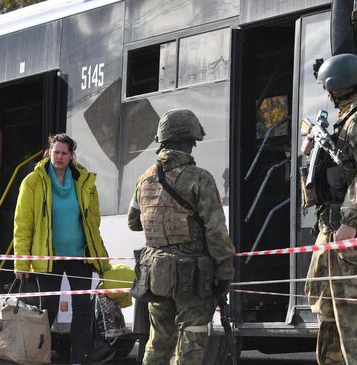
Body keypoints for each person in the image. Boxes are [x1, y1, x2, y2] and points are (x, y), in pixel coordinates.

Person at [127, 109, 235, 364]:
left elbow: (133, 222)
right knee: (192, 338)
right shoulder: (200, 179)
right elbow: (216, 230)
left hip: (155, 272)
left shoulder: (144, 179)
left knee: (158, 339)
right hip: (192, 273)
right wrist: (225, 270)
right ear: (189, 142)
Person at [301, 53, 357, 364]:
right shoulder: (349, 119)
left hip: (355, 243)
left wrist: (351, 220)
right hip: (333, 236)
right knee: (330, 317)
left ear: (337, 88)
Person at [13, 133, 113, 364]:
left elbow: (93, 222)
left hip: (80, 256)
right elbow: (22, 224)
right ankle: (39, 358)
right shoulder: (32, 181)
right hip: (48, 258)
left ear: (71, 156)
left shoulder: (84, 181)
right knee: (48, 310)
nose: (58, 157)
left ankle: (79, 359)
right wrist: (21, 261)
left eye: (64, 153)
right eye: (55, 152)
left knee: (83, 311)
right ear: (49, 152)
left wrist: (101, 258)